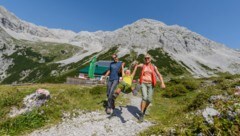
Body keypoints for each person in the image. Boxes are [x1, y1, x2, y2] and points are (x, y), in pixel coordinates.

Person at [137, 54, 166, 122]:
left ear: (150, 59)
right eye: (145, 58)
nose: (147, 59)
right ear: (144, 59)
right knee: (144, 97)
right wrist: (135, 65)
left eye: (148, 58)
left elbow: (159, 74)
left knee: (149, 100)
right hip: (143, 83)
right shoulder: (142, 65)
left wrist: (162, 83)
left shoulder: (153, 67)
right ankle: (141, 114)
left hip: (151, 84)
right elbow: (135, 66)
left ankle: (144, 110)